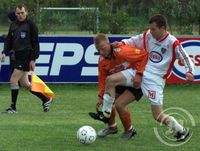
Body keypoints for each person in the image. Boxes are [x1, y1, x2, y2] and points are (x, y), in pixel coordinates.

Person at [107, 14, 194, 142]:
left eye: (154, 29)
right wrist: (121, 43)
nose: (151, 31)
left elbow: (186, 58)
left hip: (156, 80)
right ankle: (105, 111)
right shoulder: (148, 35)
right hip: (140, 71)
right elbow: (134, 40)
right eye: (150, 29)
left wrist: (189, 71)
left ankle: (181, 130)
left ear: (163, 28)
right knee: (111, 79)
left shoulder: (172, 42)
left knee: (157, 115)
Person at [89, 33, 147, 139]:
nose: (101, 52)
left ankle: (129, 130)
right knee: (108, 99)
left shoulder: (121, 51)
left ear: (108, 43)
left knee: (119, 104)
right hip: (120, 81)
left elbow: (144, 55)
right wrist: (100, 96)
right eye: (98, 50)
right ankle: (112, 127)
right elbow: (102, 79)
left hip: (136, 80)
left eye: (103, 48)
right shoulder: (102, 60)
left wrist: (139, 74)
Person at [0, 3, 52, 113]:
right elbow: (9, 40)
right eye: (18, 13)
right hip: (15, 57)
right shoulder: (13, 25)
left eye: (22, 13)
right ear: (15, 13)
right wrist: (4, 52)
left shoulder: (31, 25)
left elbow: (35, 44)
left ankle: (13, 108)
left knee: (13, 80)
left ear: (26, 12)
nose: (20, 15)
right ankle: (46, 99)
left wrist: (33, 59)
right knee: (25, 84)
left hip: (26, 57)